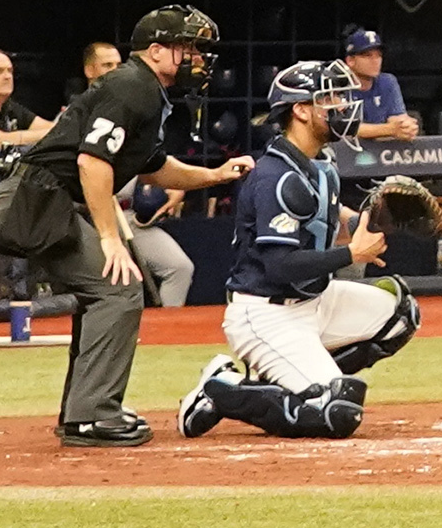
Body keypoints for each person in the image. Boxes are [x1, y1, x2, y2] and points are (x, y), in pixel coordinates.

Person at [0, 2, 243, 446]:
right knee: (117, 288)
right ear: (158, 51)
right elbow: (92, 161)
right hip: (36, 199)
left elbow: (154, 166)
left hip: (41, 198)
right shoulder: (133, 86)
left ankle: (82, 411)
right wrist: (109, 237)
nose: (198, 59)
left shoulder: (144, 89)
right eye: (189, 48)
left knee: (104, 293)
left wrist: (213, 176)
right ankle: (92, 415)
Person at [178, 59, 417, 438]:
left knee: (400, 312)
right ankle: (223, 390)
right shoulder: (276, 176)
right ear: (301, 110)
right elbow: (279, 266)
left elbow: (324, 223)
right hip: (267, 314)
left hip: (314, 300)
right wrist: (352, 254)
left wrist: (372, 221)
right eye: (329, 97)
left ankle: (299, 379)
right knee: (336, 412)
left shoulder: (319, 164)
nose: (341, 105)